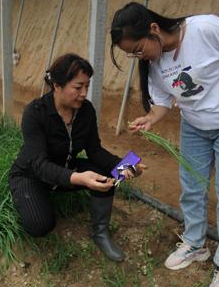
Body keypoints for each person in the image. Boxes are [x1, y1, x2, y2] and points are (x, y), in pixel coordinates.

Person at [110, 2, 219, 287]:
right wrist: (150, 118)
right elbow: (163, 101)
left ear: (154, 29)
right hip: (195, 126)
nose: (138, 56)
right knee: (192, 187)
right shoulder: (155, 61)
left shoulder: (207, 29)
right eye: (131, 54)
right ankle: (195, 244)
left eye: (137, 49)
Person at [9, 53, 145, 262]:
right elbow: (38, 163)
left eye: (87, 86)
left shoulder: (86, 111)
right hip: (32, 175)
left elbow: (95, 151)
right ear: (57, 85)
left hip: (67, 168)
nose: (84, 93)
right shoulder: (36, 112)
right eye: (78, 87)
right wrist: (78, 178)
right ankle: (32, 198)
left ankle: (100, 233)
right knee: (40, 226)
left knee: (105, 175)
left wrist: (126, 164)